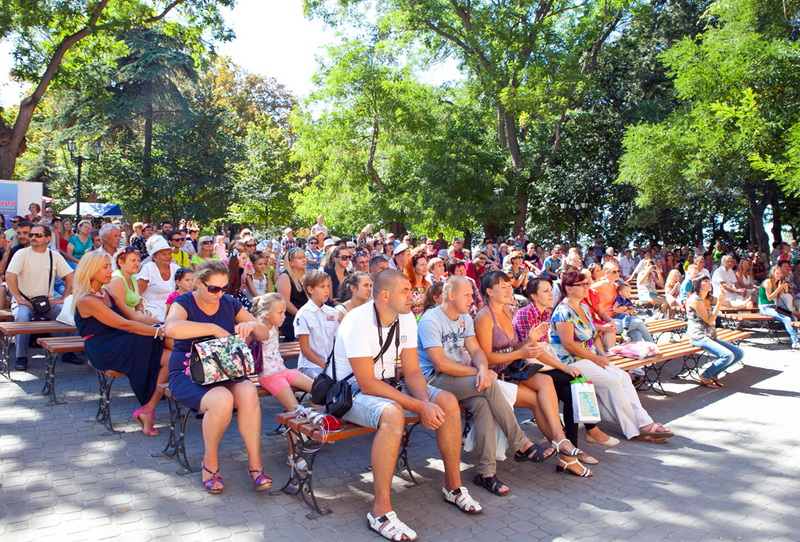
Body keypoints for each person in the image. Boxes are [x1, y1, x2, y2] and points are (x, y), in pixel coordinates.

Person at [330, 270, 482, 540]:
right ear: (385, 295)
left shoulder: (408, 318)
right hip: (349, 392)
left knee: (445, 400)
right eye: (405, 291)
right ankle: (380, 511)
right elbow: (366, 383)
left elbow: (412, 372)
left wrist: (425, 403)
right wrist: (418, 405)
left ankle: (454, 487)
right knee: (393, 413)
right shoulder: (357, 320)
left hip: (388, 384)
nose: (413, 296)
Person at [420, 277, 588, 493]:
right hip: (433, 381)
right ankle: (521, 444)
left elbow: (477, 351)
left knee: (484, 406)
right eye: (467, 295)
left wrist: (481, 368)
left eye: (472, 294)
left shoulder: (464, 318)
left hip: (460, 378)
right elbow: (440, 364)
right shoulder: (431, 320)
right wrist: (480, 371)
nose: (472, 299)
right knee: (490, 385)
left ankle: (486, 472)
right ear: (450, 296)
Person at [164, 259, 272, 494]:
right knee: (222, 398)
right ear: (199, 284)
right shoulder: (183, 302)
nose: (219, 293)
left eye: (224, 288)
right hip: (189, 371)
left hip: (223, 369)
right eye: (214, 288)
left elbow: (264, 333)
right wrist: (212, 329)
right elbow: (170, 329)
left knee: (248, 391)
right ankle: (210, 462)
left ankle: (255, 463)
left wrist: (251, 325)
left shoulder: (229, 302)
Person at [551, 271, 674, 443]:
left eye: (587, 283)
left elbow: (593, 335)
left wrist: (602, 355)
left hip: (588, 357)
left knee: (623, 377)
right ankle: (634, 429)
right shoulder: (563, 311)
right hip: (571, 361)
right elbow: (568, 344)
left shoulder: (583, 307)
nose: (587, 287)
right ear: (569, 289)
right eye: (582, 285)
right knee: (613, 381)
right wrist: (596, 359)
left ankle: (645, 422)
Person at [512, 277, 618, 452]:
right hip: (525, 367)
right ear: (534, 296)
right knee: (575, 382)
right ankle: (585, 437)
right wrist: (564, 367)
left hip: (544, 364)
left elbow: (546, 349)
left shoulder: (546, 313)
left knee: (573, 391)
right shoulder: (525, 313)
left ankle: (574, 446)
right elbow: (532, 351)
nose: (551, 294)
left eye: (550, 290)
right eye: (545, 291)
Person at [74, 251, 168, 435]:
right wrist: (160, 331)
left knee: (173, 357)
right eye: (105, 267)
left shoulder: (106, 292)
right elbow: (124, 324)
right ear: (91, 270)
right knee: (160, 337)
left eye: (110, 266)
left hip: (121, 339)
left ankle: (148, 410)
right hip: (103, 348)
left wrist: (165, 324)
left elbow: (134, 315)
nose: (111, 270)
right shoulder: (87, 300)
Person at [251, 293, 314, 470]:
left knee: (318, 388)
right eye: (280, 313)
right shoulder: (259, 328)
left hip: (283, 370)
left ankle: (314, 429)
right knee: (294, 411)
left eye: (284, 312)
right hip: (269, 376)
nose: (284, 316)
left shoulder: (273, 327)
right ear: (266, 314)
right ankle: (292, 454)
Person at [6, 224, 76, 371]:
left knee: (69, 314)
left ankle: (68, 352)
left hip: (47, 300)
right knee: (22, 318)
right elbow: (9, 276)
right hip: (25, 301)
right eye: (31, 235)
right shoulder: (21, 254)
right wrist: (19, 299)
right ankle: (21, 357)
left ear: (48, 238)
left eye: (37, 235)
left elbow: (70, 275)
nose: (32, 238)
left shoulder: (53, 255)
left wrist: (62, 298)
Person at [686, 277, 745, 387]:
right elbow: (709, 320)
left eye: (709, 281)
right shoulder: (695, 301)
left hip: (711, 335)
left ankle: (714, 374)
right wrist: (718, 304)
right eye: (706, 281)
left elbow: (726, 303)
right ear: (698, 285)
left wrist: (743, 304)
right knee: (727, 355)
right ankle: (705, 375)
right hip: (698, 336)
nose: (709, 283)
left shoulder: (708, 298)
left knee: (738, 354)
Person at [589, 262, 655, 342]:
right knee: (638, 322)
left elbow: (625, 301)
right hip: (606, 321)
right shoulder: (598, 286)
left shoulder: (617, 287)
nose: (617, 273)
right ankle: (653, 346)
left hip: (619, 317)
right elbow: (586, 292)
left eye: (618, 271)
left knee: (637, 334)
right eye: (614, 272)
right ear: (606, 273)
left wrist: (627, 308)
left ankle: (636, 353)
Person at [294, 269, 339, 378]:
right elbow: (305, 349)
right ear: (310, 289)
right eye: (322, 287)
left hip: (331, 364)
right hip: (311, 365)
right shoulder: (303, 314)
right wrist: (325, 366)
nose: (327, 290)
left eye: (328, 286)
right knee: (325, 383)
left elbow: (337, 341)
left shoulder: (332, 312)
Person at [758, 266, 800, 349]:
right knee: (787, 319)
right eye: (777, 273)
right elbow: (769, 298)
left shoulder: (778, 282)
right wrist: (779, 288)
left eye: (780, 273)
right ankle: (795, 341)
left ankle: (797, 339)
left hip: (774, 306)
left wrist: (785, 289)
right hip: (765, 307)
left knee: (793, 317)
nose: (779, 275)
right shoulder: (768, 282)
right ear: (772, 273)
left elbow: (782, 295)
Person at [138, 236, 179, 320]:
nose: (168, 256)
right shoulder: (148, 268)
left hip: (172, 307)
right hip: (151, 308)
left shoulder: (176, 268)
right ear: (155, 258)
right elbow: (137, 292)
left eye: (169, 253)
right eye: (164, 254)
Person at [106, 247, 145, 312]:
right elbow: (122, 312)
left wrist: (139, 311)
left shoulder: (133, 278)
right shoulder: (117, 280)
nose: (137, 264)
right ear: (120, 263)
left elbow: (139, 303)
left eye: (138, 260)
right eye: (133, 260)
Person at [403, 250, 430, 317]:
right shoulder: (407, 286)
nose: (425, 267)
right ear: (413, 268)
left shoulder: (427, 285)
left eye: (426, 264)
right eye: (422, 265)